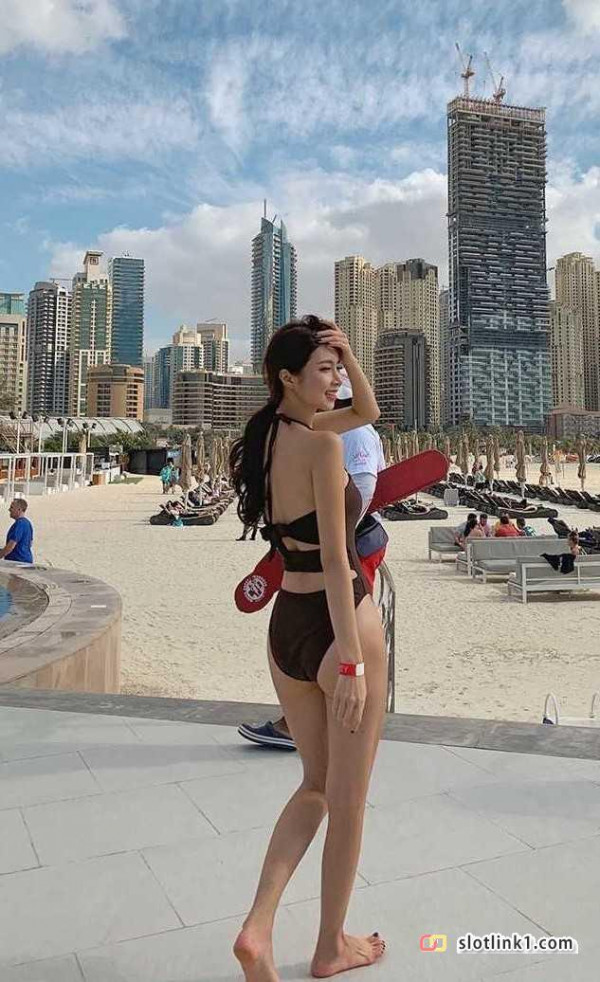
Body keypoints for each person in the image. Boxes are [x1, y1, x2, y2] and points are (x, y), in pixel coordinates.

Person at [230, 315, 387, 978]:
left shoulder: (267, 436)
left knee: (315, 786)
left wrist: (346, 353)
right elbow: (334, 559)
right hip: (336, 624)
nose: (336, 383)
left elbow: (368, 412)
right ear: (288, 378)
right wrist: (351, 661)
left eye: (339, 370)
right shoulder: (322, 447)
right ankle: (330, 946)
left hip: (285, 629)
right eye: (324, 371)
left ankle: (258, 928)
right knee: (347, 801)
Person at [239, 371, 387, 748]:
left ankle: (313, 722)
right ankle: (303, 720)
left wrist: (331, 531)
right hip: (324, 556)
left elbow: (365, 484)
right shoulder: (308, 432)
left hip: (351, 547)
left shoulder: (349, 434)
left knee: (340, 633)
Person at [0, 499, 33, 564]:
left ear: (19, 509)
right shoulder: (27, 523)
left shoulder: (19, 524)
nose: (9, 509)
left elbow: (10, 546)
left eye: (12, 507)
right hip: (26, 561)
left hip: (18, 562)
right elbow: (30, 543)